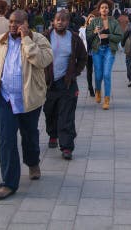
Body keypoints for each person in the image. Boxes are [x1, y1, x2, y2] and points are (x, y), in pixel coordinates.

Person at [0, 10, 53, 200]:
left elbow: (43, 60)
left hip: (29, 99)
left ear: (26, 23)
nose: (13, 25)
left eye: (18, 22)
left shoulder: (39, 40)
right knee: (6, 140)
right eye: (11, 22)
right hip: (5, 99)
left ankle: (32, 162)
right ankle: (8, 183)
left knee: (29, 135)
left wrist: (26, 40)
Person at [43, 11, 87, 160]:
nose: (60, 22)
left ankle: (67, 146)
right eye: (57, 20)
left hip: (67, 83)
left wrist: (75, 73)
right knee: (49, 111)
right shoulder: (45, 37)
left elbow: (83, 57)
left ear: (68, 22)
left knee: (66, 115)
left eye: (63, 20)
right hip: (49, 83)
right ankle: (52, 134)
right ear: (53, 21)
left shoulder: (74, 38)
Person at [85, 0, 123, 110]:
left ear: (109, 9)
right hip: (97, 50)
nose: (104, 9)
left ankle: (106, 99)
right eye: (102, 8)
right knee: (98, 75)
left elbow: (119, 36)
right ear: (99, 9)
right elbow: (87, 36)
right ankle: (97, 90)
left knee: (106, 74)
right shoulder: (94, 21)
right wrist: (94, 32)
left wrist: (109, 36)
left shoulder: (114, 22)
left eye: (106, 7)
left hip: (109, 50)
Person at [81, 13, 95, 97]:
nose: (92, 22)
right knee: (89, 72)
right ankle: (91, 88)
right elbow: (87, 40)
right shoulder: (83, 30)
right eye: (90, 21)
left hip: (96, 53)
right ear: (88, 21)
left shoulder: (98, 29)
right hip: (88, 54)